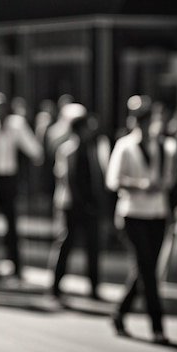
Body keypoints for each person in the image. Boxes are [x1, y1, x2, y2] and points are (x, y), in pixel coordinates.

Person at [106, 95, 177, 345]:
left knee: (145, 268)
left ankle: (119, 312)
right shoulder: (125, 145)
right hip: (133, 214)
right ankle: (157, 326)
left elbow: (171, 179)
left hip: (157, 214)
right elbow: (113, 180)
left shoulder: (166, 146)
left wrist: (160, 184)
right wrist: (140, 185)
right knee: (148, 271)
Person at [48, 107, 110, 301]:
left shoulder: (92, 147)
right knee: (66, 243)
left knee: (93, 245)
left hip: (90, 203)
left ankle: (94, 286)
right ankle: (56, 286)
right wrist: (82, 202)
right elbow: (68, 179)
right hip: (71, 204)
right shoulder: (67, 150)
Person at [0, 91, 43, 279]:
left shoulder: (17, 124)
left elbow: (35, 151)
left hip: (9, 179)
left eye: (2, 106)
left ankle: (15, 265)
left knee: (11, 225)